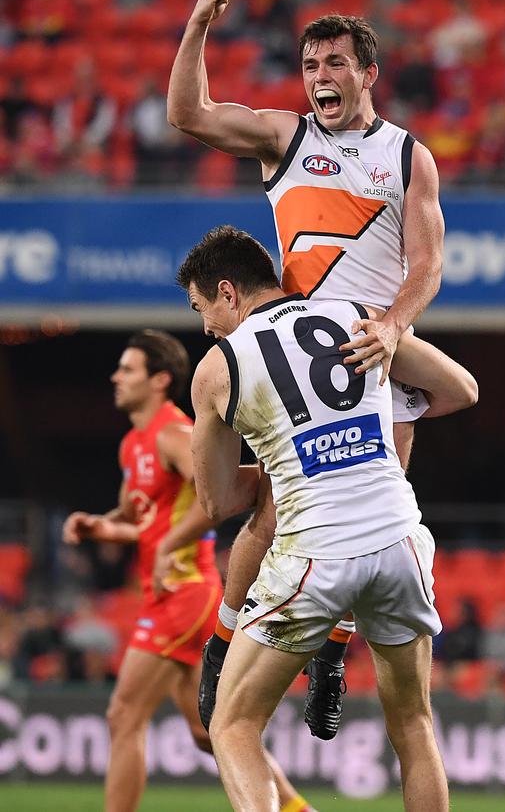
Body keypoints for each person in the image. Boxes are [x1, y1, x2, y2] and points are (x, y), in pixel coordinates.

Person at [167, 0, 449, 739]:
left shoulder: (407, 157)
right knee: (269, 513)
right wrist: (197, 24)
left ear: (368, 73)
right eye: (310, 65)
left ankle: (331, 651)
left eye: (334, 63)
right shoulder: (286, 140)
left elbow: (428, 263)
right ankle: (224, 646)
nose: (320, 76)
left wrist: (393, 325)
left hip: (378, 353)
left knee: (376, 514)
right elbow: (187, 115)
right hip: (304, 356)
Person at [169, 225, 468, 811]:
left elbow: (218, 501)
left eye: (202, 307)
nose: (205, 324)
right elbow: (462, 390)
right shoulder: (359, 314)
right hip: (401, 540)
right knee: (412, 724)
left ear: (227, 292)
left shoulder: (218, 366)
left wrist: (296, 460)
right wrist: (362, 437)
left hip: (318, 553)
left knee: (230, 726)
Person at [62, 330, 312, 812]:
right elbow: (139, 520)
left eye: (128, 369)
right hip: (171, 593)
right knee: (206, 730)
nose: (115, 377)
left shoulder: (175, 435)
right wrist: (98, 526)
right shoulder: (133, 443)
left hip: (184, 592)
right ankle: (299, 808)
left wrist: (169, 545)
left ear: (160, 380)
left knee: (124, 714)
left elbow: (218, 498)